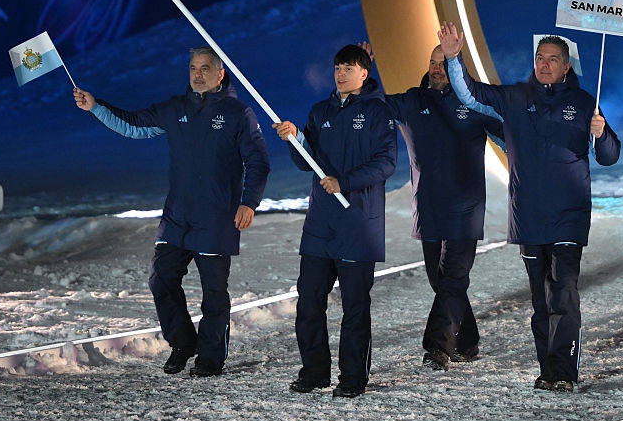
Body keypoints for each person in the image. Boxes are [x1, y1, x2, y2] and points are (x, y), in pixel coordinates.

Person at [436, 22, 620, 393]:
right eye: (540, 58)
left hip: (568, 215)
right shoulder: (515, 98)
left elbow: (609, 156)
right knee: (540, 301)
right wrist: (454, 58)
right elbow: (471, 96)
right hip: (529, 218)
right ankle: (547, 370)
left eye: (553, 59)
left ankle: (564, 372)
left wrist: (602, 135)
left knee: (563, 294)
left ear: (567, 66)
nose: (545, 64)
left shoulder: (584, 103)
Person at [73, 46, 269, 378]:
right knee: (161, 279)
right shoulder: (176, 108)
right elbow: (133, 125)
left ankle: (209, 358)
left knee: (214, 296)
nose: (198, 74)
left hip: (216, 219)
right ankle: (183, 343)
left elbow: (258, 162)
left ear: (220, 73)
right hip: (178, 217)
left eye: (206, 68)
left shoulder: (239, 114)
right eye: (193, 68)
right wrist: (95, 107)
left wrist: (249, 202)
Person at [272, 44, 397, 398]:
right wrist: (294, 140)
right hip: (320, 227)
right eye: (338, 67)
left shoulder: (377, 112)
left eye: (349, 67)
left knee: (355, 306)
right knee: (309, 300)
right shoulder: (320, 111)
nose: (341, 74)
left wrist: (345, 181)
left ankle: (353, 377)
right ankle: (314, 372)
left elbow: (385, 163)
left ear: (364, 72)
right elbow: (305, 162)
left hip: (358, 225)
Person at [372, 42, 505, 372]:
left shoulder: (474, 104)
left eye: (444, 63)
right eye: (433, 62)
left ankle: (437, 348)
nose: (436, 68)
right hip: (429, 207)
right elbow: (375, 108)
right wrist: (365, 76)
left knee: (453, 279)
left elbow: (513, 137)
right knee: (443, 281)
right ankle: (468, 341)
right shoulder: (412, 101)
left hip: (465, 206)